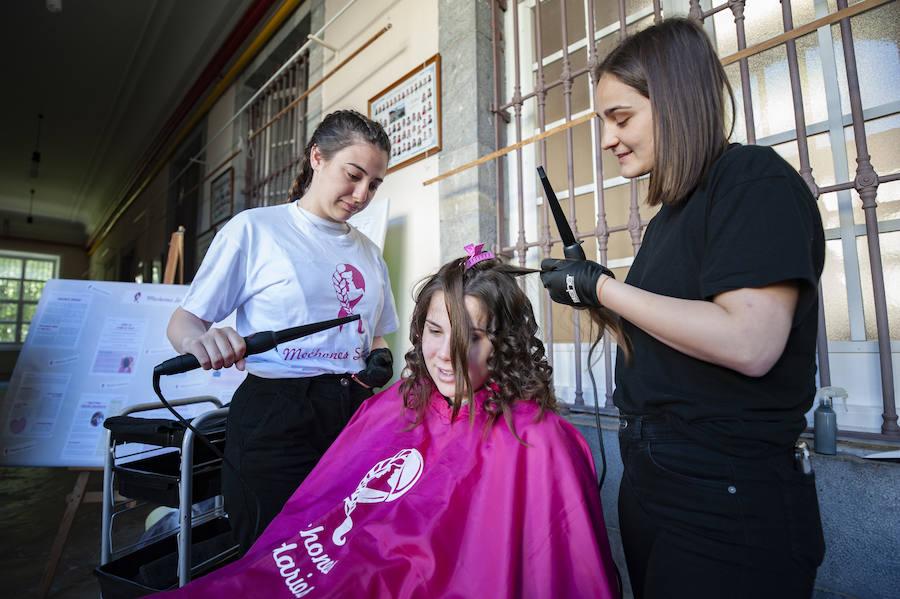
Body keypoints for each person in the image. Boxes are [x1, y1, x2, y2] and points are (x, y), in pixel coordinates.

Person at [540, 18, 826, 599]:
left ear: (675, 103)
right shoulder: (672, 215)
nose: (606, 140)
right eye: (603, 122)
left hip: (724, 495)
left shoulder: (752, 180)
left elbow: (750, 343)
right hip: (655, 480)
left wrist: (603, 288)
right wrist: (595, 299)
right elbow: (674, 337)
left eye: (621, 118)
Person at [154, 245, 619, 599]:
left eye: (472, 338)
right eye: (435, 332)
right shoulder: (397, 404)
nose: (444, 356)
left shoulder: (538, 440)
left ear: (508, 344)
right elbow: (319, 507)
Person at [166, 110, 400, 554]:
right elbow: (184, 322)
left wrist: (379, 359)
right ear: (317, 157)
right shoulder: (256, 230)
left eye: (374, 184)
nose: (362, 193)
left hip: (350, 414)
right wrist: (198, 342)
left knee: (343, 549)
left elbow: (375, 335)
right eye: (353, 175)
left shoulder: (368, 252)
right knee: (276, 555)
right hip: (274, 414)